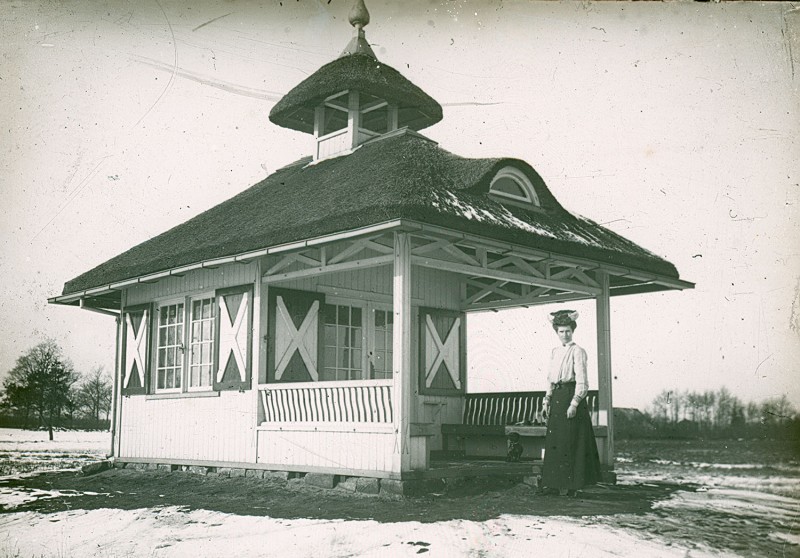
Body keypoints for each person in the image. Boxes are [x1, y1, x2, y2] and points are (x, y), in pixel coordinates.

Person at [541, 309, 601, 496]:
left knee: (571, 442)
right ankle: (552, 484)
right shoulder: (555, 352)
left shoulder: (578, 351)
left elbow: (582, 381)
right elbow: (551, 378)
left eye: (567, 331)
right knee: (555, 442)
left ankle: (573, 486)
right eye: (561, 331)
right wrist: (546, 401)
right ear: (556, 332)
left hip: (570, 396)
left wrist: (574, 403)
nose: (564, 334)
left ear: (572, 331)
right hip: (558, 398)